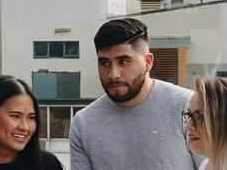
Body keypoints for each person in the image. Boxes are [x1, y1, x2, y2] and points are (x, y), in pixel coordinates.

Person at [68, 18, 199, 170]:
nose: (113, 74)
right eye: (104, 63)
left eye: (123, 61)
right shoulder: (84, 124)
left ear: (148, 62)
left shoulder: (187, 106)